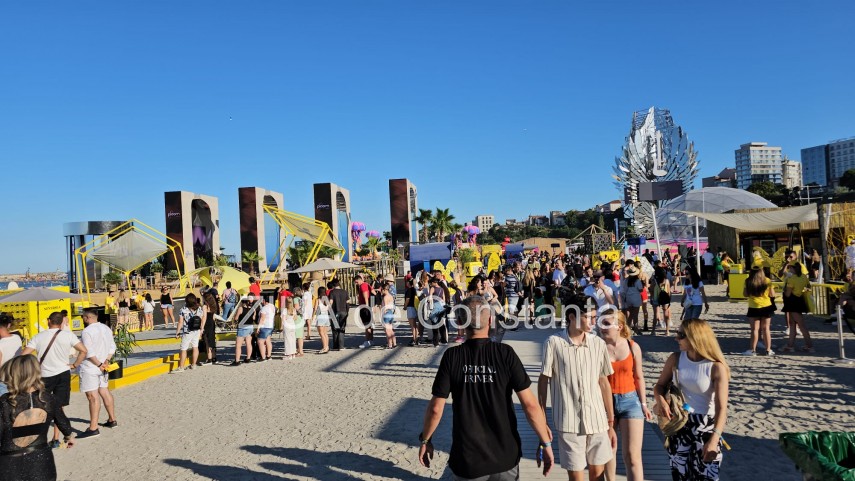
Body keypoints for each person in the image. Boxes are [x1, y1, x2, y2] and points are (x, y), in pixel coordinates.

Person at [419, 296, 554, 479]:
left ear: (460, 322)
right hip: (505, 456)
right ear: (490, 320)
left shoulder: (452, 357)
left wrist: (426, 439)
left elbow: (436, 409)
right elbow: (530, 405)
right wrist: (545, 442)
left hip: (468, 458)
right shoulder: (505, 354)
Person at [539, 303, 616, 480]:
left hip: (597, 420)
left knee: (598, 476)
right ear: (572, 317)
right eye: (589, 317)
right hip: (569, 422)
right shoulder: (553, 343)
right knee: (576, 477)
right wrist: (542, 419)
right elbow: (543, 381)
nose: (594, 322)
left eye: (595, 317)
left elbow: (604, 382)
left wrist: (611, 422)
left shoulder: (598, 344)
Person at [653, 318, 730, 481]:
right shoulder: (675, 358)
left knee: (706, 476)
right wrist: (661, 401)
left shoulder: (716, 367)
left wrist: (714, 439)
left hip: (706, 426)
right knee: (680, 475)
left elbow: (722, 408)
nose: (676, 338)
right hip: (679, 422)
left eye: (681, 335)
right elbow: (659, 386)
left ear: (695, 337)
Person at [0, 355, 76, 480]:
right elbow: (63, 422)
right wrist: (69, 437)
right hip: (41, 462)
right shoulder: (48, 399)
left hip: (10, 463)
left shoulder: (5, 401)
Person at [598, 309, 651, 481]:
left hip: (630, 401)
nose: (602, 327)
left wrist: (643, 404)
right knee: (608, 451)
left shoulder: (632, 346)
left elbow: (639, 377)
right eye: (601, 323)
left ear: (619, 326)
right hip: (604, 403)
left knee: (633, 456)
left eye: (606, 324)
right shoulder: (597, 347)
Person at [21, 312, 88, 446]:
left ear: (48, 321)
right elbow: (83, 350)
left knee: (41, 406)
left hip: (44, 375)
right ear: (61, 322)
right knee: (59, 406)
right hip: (63, 373)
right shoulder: (68, 335)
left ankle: (39, 437)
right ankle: (56, 437)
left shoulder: (39, 337)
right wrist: (75, 364)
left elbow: (23, 355)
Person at [78, 308, 118, 438]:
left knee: (92, 397)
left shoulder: (87, 331)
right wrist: (106, 361)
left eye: (83, 317)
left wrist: (99, 364)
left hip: (91, 367)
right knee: (104, 391)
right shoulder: (106, 328)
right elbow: (112, 347)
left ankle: (93, 427)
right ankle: (112, 419)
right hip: (104, 365)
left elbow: (88, 352)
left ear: (87, 318)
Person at [742, 264, 776, 356]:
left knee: (754, 329)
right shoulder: (767, 280)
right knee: (766, 329)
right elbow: (772, 294)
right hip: (766, 306)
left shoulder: (748, 281)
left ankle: (752, 350)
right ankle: (768, 350)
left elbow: (745, 294)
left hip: (754, 306)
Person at [782, 262, 814, 353]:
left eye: (790, 268)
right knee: (792, 324)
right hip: (799, 299)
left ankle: (809, 346)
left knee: (801, 325)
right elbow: (808, 286)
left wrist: (784, 289)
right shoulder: (803, 276)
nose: (789, 270)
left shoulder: (791, 279)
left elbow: (788, 294)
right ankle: (790, 345)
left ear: (793, 269)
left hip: (792, 302)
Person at [173, 293, 203, 372]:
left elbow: (180, 322)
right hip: (196, 330)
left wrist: (177, 332)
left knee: (183, 349)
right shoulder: (199, 308)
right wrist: (201, 329)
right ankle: (194, 364)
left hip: (187, 331)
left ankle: (181, 367)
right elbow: (201, 319)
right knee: (195, 347)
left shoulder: (183, 309)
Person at [230, 297, 256, 365]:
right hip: (250, 327)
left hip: (242, 327)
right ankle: (248, 358)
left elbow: (236, 318)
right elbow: (253, 318)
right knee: (248, 343)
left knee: (238, 345)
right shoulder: (252, 309)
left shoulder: (240, 308)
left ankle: (237, 360)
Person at [328, 279, 349, 351]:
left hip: (335, 312)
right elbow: (347, 302)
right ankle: (341, 346)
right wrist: (347, 311)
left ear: (333, 285)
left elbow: (330, 302)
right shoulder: (345, 292)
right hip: (344, 312)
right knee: (342, 328)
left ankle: (335, 346)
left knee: (335, 329)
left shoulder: (332, 292)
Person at [622, 267, 644, 333]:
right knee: (635, 314)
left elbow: (624, 289)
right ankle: (636, 329)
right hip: (636, 298)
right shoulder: (637, 281)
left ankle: (628, 328)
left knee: (630, 314)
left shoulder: (626, 280)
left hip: (628, 298)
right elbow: (641, 290)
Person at [201, 292, 219, 365]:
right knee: (212, 340)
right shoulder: (213, 306)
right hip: (212, 323)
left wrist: (202, 328)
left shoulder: (205, 306)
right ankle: (214, 358)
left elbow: (204, 317)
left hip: (207, 324)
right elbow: (213, 317)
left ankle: (209, 359)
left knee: (207, 341)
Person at [314, 286, 332, 354]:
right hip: (326, 316)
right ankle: (327, 346)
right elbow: (329, 308)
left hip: (320, 316)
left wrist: (313, 316)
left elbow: (315, 309)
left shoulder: (318, 300)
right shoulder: (326, 299)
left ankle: (324, 348)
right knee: (325, 333)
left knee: (321, 333)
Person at [256, 296, 275, 361]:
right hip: (270, 325)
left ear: (264, 300)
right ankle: (269, 355)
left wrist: (258, 327)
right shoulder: (272, 306)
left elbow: (262, 318)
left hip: (265, 326)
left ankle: (263, 357)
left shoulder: (264, 308)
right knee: (268, 341)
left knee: (260, 341)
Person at [404, 278, 421, 346]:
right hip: (415, 307)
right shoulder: (415, 290)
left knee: (412, 325)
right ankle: (416, 338)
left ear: (409, 283)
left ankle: (414, 339)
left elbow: (407, 299)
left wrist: (405, 306)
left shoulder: (409, 290)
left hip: (410, 307)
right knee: (415, 325)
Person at [380, 283, 397, 349]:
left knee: (387, 330)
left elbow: (385, 307)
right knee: (391, 329)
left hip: (386, 313)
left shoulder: (385, 297)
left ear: (385, 290)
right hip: (391, 313)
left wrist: (382, 314)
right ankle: (394, 343)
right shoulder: (391, 296)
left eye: (382, 290)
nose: (381, 291)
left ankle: (390, 344)